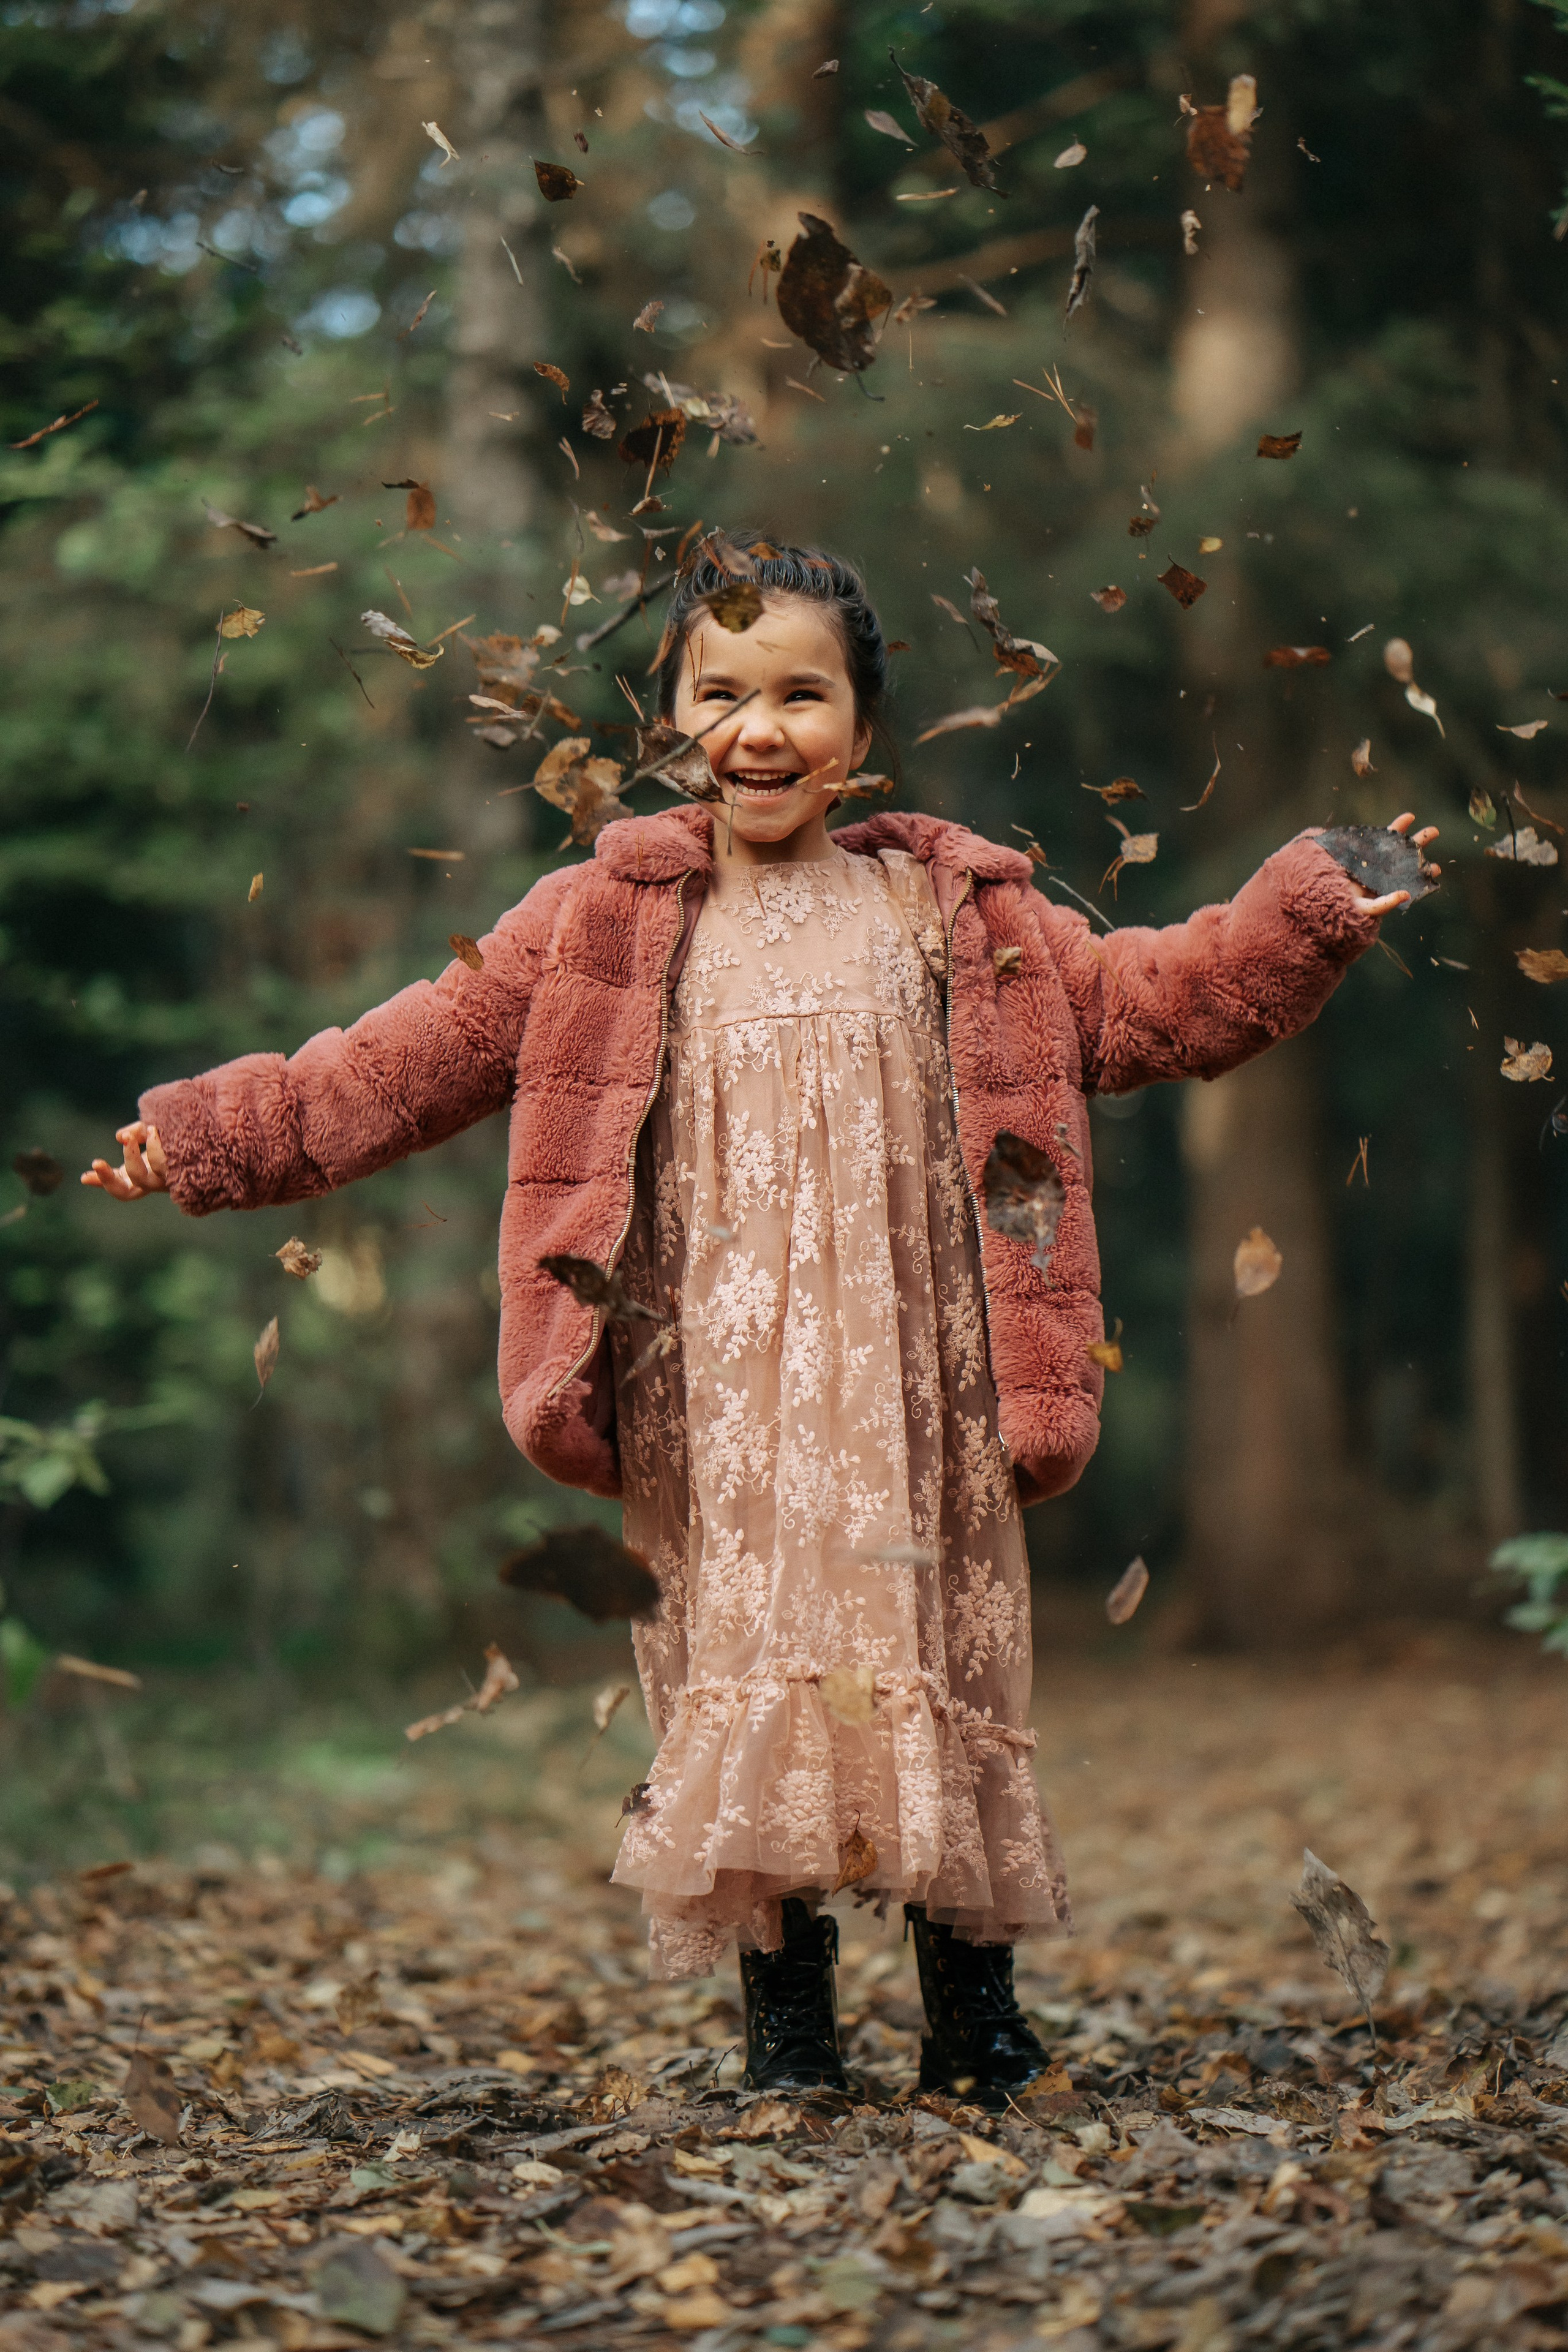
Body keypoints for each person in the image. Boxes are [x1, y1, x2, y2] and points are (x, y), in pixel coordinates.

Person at [85, 532, 1437, 2104]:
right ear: (672, 715)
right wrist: (212, 1136)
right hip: (709, 1376)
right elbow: (401, 1062)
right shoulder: (595, 919)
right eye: (721, 691)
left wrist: (1305, 912)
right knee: (754, 1653)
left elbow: (1147, 1000)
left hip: (918, 1361)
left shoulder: (955, 904)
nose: (760, 725)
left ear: (861, 735)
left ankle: (971, 2014)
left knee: (938, 1647)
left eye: (802, 694)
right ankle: (786, 2024)